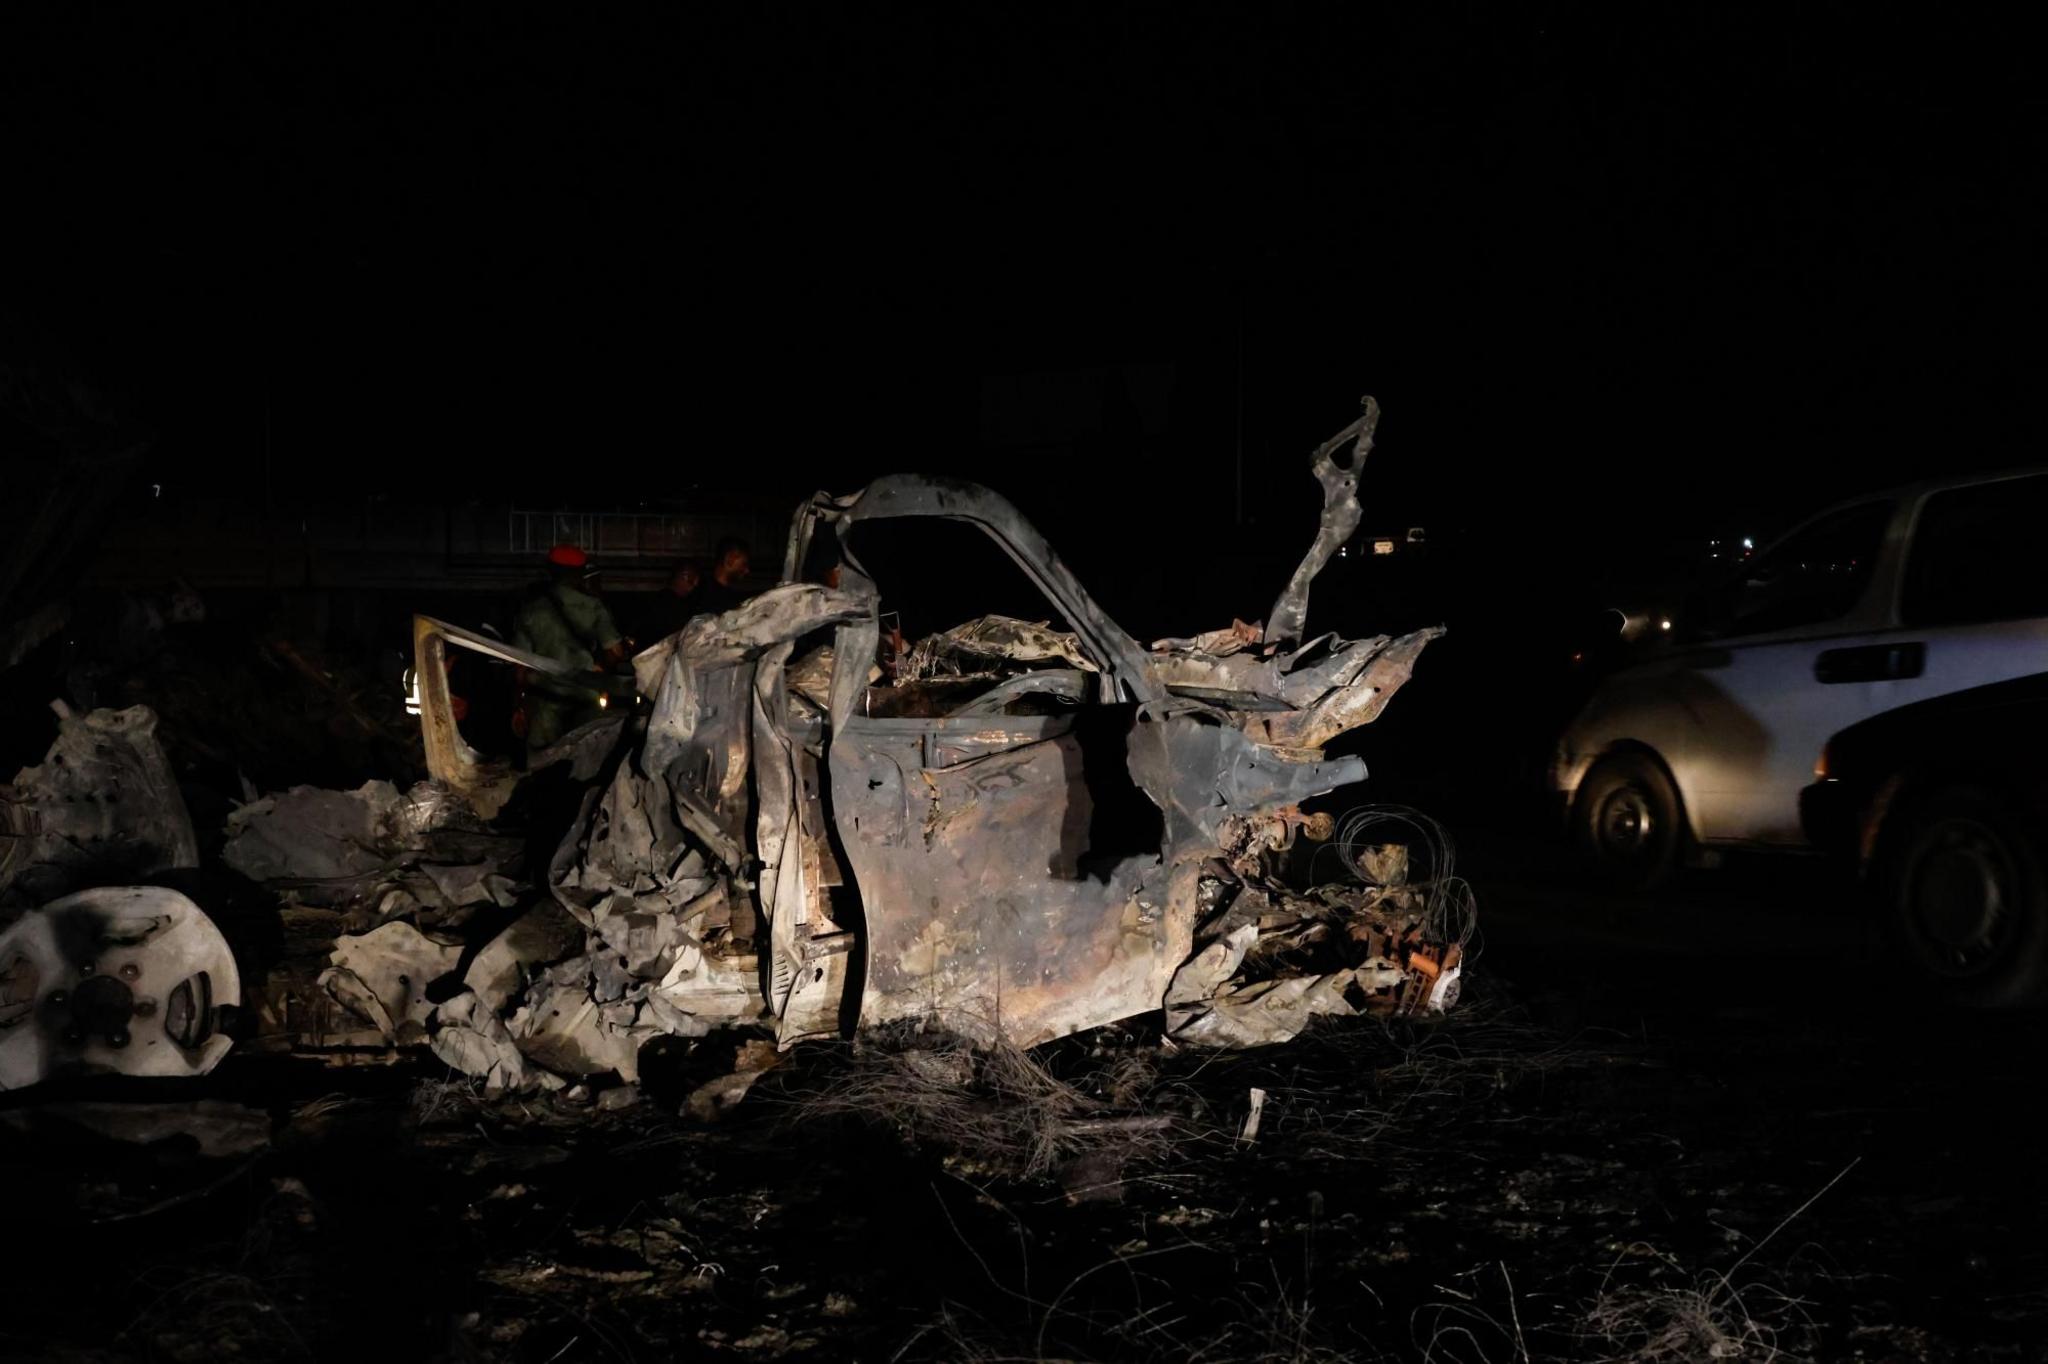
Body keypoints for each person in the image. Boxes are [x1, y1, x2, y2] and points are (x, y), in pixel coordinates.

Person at [509, 544, 628, 751]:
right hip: (586, 698)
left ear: (551, 571)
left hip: (543, 701)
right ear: (580, 573)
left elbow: (519, 667)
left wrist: (519, 707)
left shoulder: (531, 610)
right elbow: (615, 652)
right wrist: (600, 667)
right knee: (585, 762)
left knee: (542, 764)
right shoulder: (594, 607)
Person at [694, 536, 754, 615]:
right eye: (744, 564)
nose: (747, 571)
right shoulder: (706, 595)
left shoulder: (723, 593)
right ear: (730, 559)